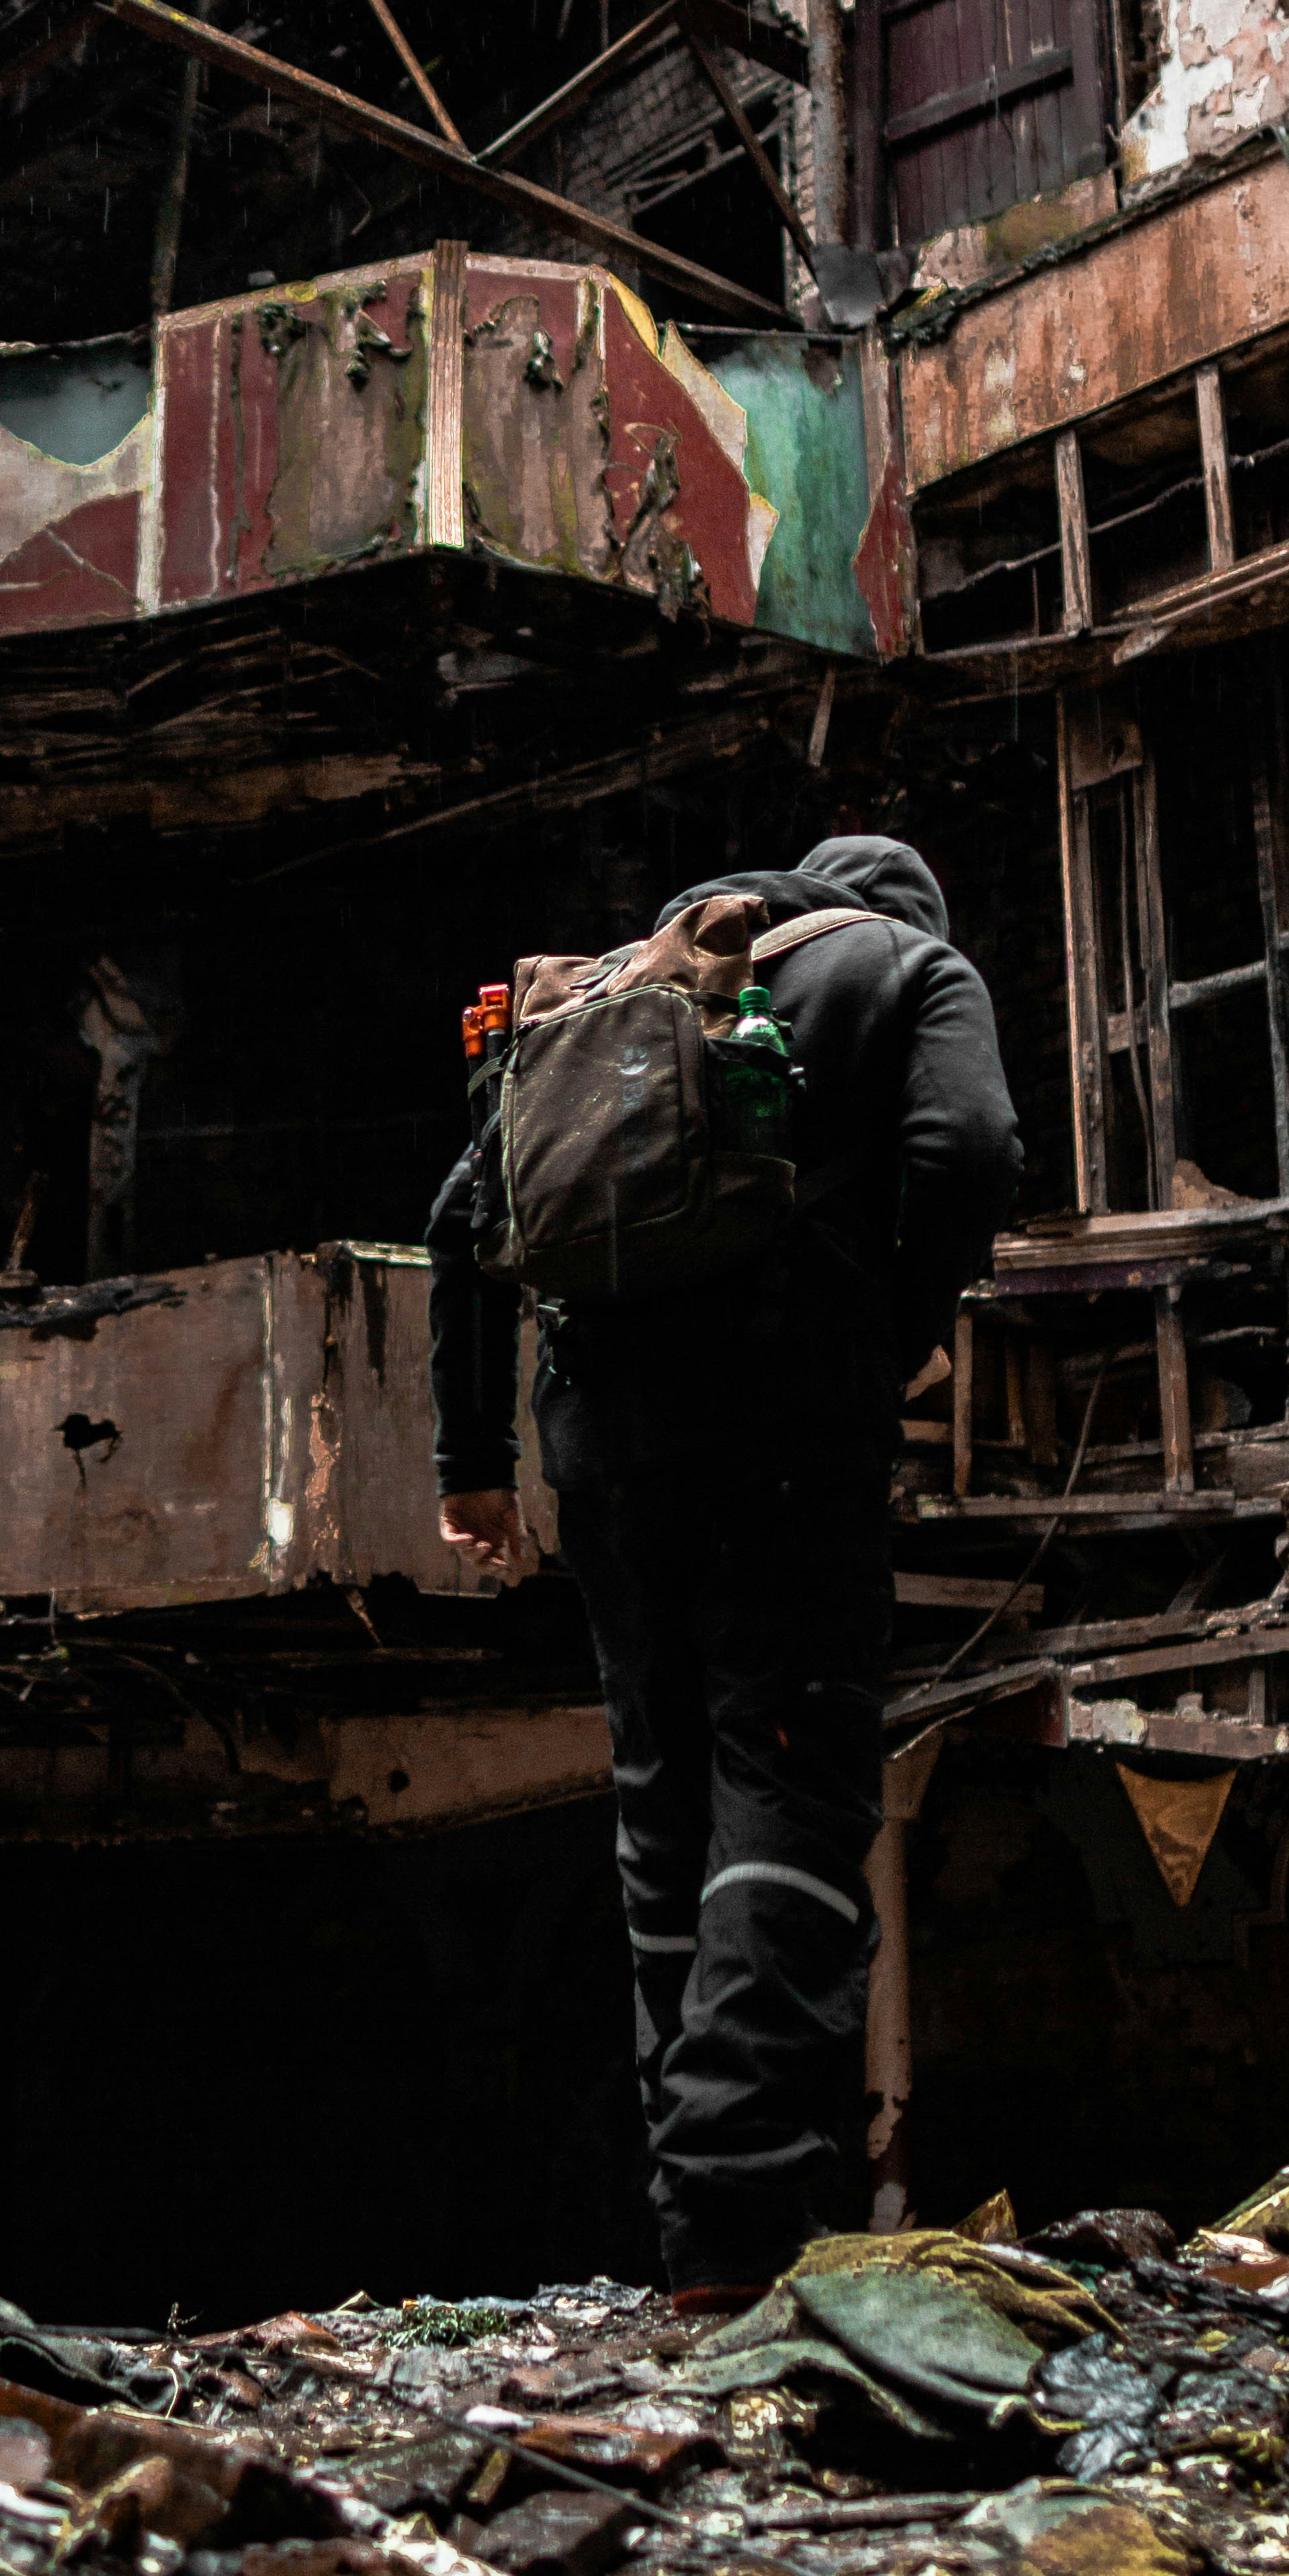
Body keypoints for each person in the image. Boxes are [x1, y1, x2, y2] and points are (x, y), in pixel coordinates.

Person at [426, 832, 1021, 2310]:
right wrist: (882, 1336)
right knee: (793, 1789)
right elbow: (970, 1153)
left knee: (661, 1804)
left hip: (599, 1453)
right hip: (782, 1428)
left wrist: (470, 1466)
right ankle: (737, 2234)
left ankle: (693, 2231)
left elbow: (460, 1216)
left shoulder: (643, 980)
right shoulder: (910, 969)